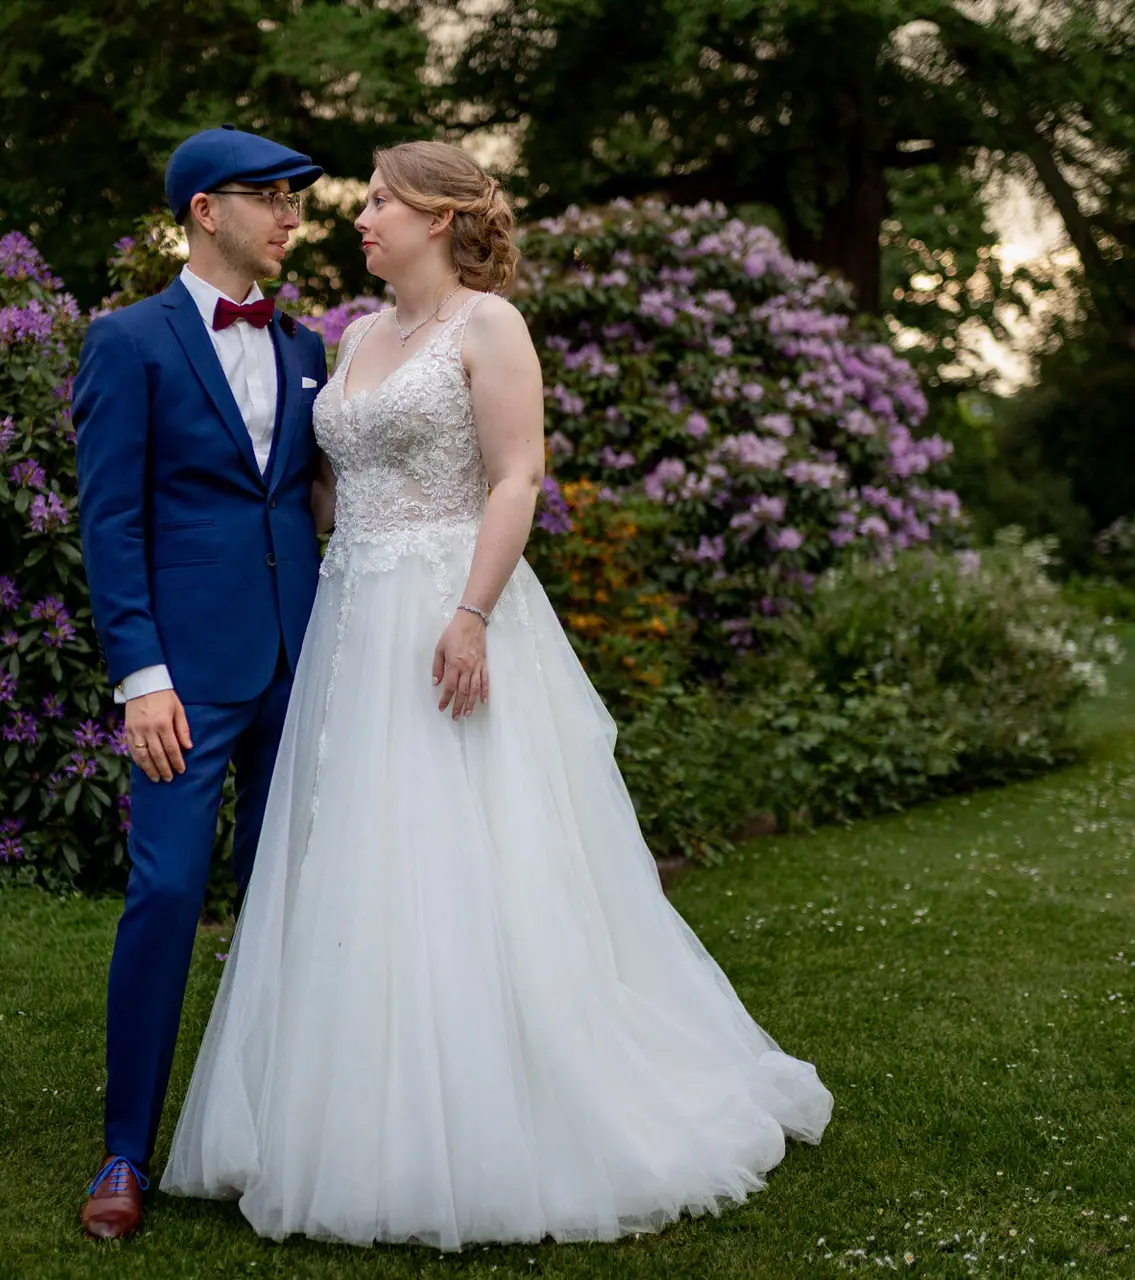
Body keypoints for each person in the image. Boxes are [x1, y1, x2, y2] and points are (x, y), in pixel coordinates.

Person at [157, 140, 834, 1249]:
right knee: (361, 859)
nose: (358, 216)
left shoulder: (490, 326)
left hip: (448, 608)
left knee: (470, 853)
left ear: (439, 215)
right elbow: (321, 485)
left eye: (379, 201)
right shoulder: (352, 338)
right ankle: (343, 1112)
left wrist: (471, 611)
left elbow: (518, 473)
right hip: (352, 620)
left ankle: (504, 1113)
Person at [72, 124, 328, 1240]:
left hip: (306, 657)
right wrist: (140, 674)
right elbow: (110, 522)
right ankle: (125, 1149)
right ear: (204, 210)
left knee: (289, 901)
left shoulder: (314, 344)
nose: (289, 216)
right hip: (183, 678)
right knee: (169, 890)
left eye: (295, 199)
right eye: (267, 197)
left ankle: (274, 1129)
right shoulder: (126, 343)